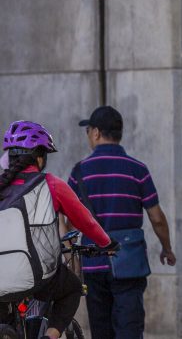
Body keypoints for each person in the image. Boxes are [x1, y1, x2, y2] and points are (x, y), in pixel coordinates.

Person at [1, 121, 116, 339]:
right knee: (72, 289)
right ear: (39, 157)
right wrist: (106, 243)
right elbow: (86, 222)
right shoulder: (50, 184)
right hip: (36, 275)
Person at [69, 106, 176, 339]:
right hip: (129, 261)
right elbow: (156, 218)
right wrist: (166, 248)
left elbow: (67, 221)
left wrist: (69, 260)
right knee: (130, 329)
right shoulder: (138, 169)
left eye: (88, 131)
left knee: (101, 331)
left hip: (93, 262)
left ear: (96, 133)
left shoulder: (79, 172)